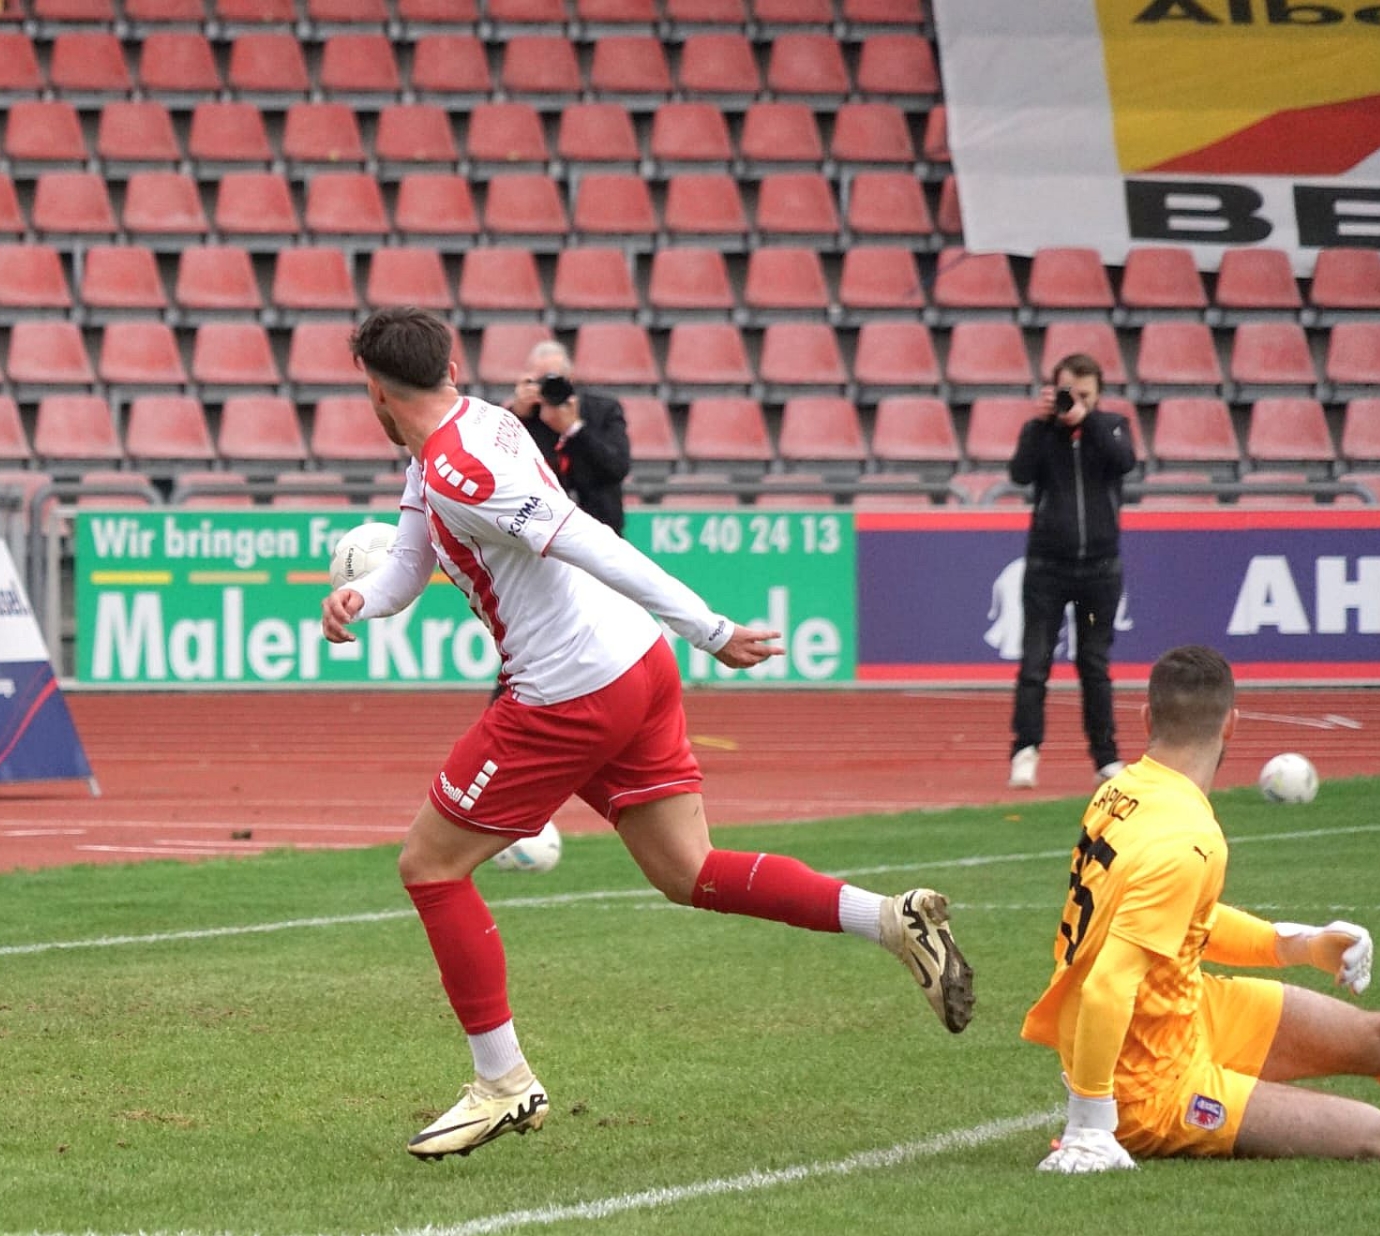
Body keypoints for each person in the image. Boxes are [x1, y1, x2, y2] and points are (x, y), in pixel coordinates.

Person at [322, 307, 975, 1162]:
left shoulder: (460, 466)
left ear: (374, 389)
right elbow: (409, 564)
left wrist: (710, 627)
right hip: (633, 662)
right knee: (687, 869)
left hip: (568, 692)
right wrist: (361, 599)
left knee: (430, 865)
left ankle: (503, 1081)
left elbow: (592, 541)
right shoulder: (468, 429)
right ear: (448, 368)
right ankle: (888, 919)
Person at [1022, 645, 1380, 1172]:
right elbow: (1107, 986)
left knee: (1376, 1037)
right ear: (1232, 723)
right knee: (1374, 1132)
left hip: (1187, 1011)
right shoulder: (1189, 839)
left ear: (1146, 718)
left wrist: (1299, 944)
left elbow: (1178, 919)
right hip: (1149, 1084)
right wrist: (1090, 1126)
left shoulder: (1121, 790)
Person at [1006, 353, 1137, 790]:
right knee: (1035, 662)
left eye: (1085, 394)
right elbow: (1020, 474)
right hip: (1047, 567)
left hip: (1100, 569)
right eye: (1068, 392)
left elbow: (1124, 461)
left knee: (1094, 663)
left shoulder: (1112, 426)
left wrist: (1088, 420)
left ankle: (1106, 756)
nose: (1074, 401)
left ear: (1098, 395)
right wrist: (1043, 424)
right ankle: (1025, 750)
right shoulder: (1039, 432)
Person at [508, 340, 632, 537]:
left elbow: (617, 467)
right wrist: (516, 416)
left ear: (570, 379)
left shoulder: (603, 409)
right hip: (542, 534)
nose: (548, 388)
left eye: (555, 380)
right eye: (541, 382)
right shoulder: (521, 420)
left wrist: (574, 429)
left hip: (601, 530)